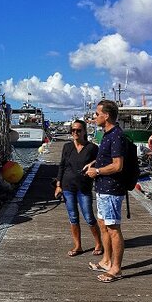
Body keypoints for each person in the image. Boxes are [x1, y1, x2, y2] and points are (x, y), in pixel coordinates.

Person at [85, 100, 125, 283]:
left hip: (111, 189)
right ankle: (107, 260)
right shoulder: (106, 134)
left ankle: (116, 269)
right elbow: (107, 157)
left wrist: (98, 171)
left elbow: (118, 165)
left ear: (106, 115)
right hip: (102, 188)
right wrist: (93, 164)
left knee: (113, 228)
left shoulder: (116, 135)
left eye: (96, 114)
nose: (94, 117)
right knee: (103, 225)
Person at [55, 120, 103, 257]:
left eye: (78, 130)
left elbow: (101, 161)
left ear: (84, 131)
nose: (75, 133)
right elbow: (62, 166)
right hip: (67, 187)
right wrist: (58, 185)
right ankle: (78, 246)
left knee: (89, 217)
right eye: (73, 130)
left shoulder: (92, 147)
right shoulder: (67, 147)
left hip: (84, 188)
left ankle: (98, 243)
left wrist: (92, 163)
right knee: (73, 217)